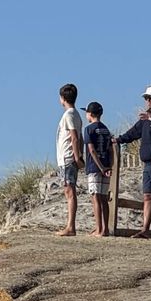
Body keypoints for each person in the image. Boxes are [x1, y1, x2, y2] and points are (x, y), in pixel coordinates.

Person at [115, 86, 151, 237]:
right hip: (146, 161)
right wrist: (118, 140)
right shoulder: (146, 117)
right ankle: (145, 229)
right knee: (148, 196)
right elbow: (133, 132)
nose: (148, 101)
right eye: (146, 98)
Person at [54, 83, 85, 237]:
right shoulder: (75, 114)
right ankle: (70, 225)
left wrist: (77, 156)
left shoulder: (69, 115)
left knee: (69, 190)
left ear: (63, 98)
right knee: (69, 189)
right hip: (68, 157)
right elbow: (80, 137)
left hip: (67, 157)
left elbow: (74, 136)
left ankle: (70, 226)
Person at [83, 101, 113, 237]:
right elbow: (111, 149)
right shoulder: (106, 129)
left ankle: (99, 228)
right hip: (106, 165)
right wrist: (109, 166)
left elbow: (91, 149)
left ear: (90, 114)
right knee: (103, 198)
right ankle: (105, 228)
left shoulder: (89, 129)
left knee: (95, 197)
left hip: (95, 167)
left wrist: (100, 167)